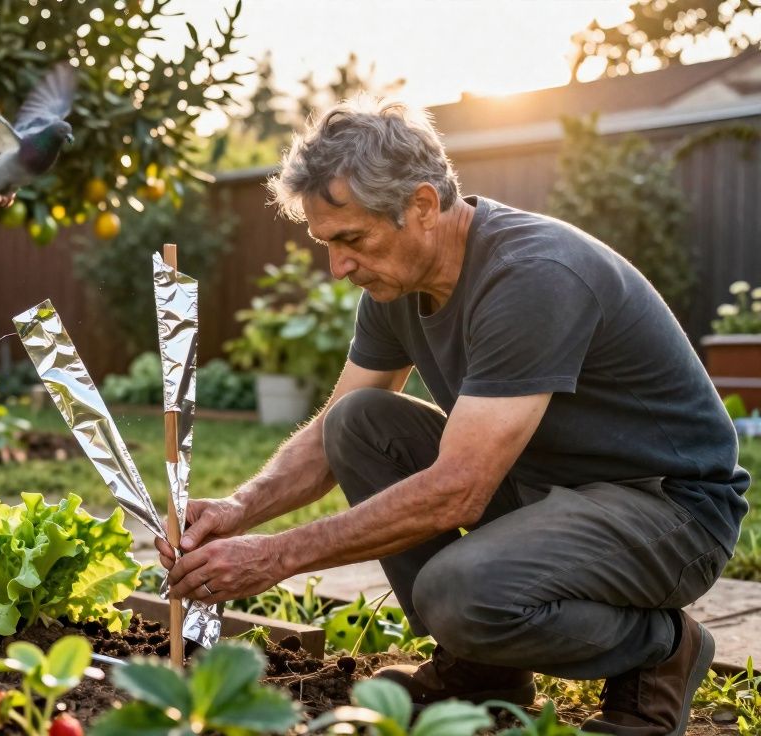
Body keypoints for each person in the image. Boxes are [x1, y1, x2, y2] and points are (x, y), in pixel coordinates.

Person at [157, 96, 749, 736]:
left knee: (457, 594)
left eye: (352, 238)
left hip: (669, 510)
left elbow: (459, 492)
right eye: (327, 243)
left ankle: (659, 650)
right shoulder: (397, 284)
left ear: (421, 206)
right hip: (544, 488)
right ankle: (482, 672)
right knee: (358, 422)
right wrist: (237, 511)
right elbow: (332, 437)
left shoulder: (531, 274)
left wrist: (274, 557)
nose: (338, 266)